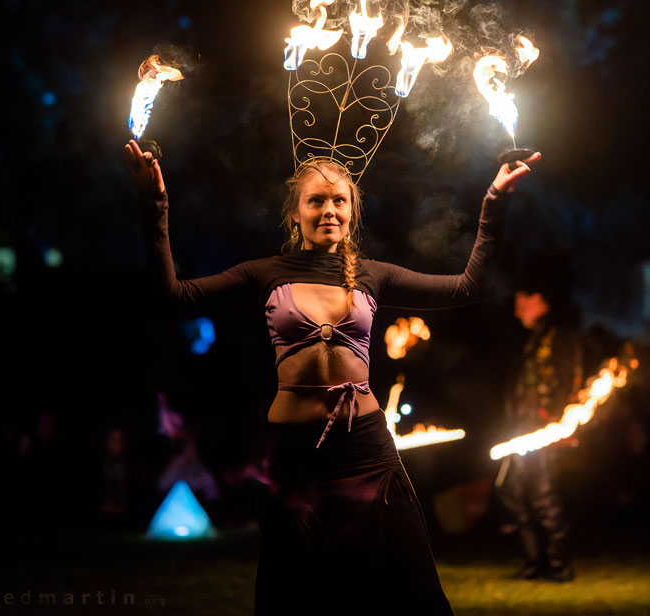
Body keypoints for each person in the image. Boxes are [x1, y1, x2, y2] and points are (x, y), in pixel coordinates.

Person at [124, 139, 539, 615]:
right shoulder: (265, 273)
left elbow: (470, 286)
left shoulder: (372, 274)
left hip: (366, 450)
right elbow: (173, 296)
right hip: (295, 456)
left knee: (415, 591)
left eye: (339, 200)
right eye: (316, 200)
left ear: (352, 211)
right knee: (293, 595)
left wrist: (494, 202)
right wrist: (153, 204)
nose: (329, 210)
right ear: (295, 213)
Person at [498, 283, 583, 582]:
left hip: (543, 432)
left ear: (540, 299)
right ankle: (534, 562)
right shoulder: (534, 339)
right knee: (514, 491)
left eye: (522, 300)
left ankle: (558, 565)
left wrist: (555, 423)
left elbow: (568, 382)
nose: (517, 308)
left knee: (543, 495)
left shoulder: (558, 338)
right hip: (523, 429)